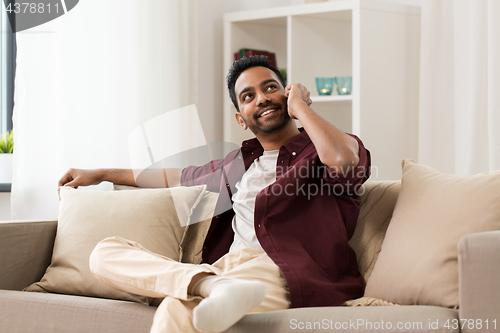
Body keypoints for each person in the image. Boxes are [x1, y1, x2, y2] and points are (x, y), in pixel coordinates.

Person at [59, 55, 371, 333]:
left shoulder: (321, 150)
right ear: (241, 119)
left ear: (286, 94)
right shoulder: (237, 164)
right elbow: (174, 177)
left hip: (282, 272)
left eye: (271, 87)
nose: (262, 98)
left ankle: (213, 288)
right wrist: (100, 174)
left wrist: (301, 107)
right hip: (225, 271)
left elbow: (343, 159)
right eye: (249, 96)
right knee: (104, 253)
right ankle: (212, 286)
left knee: (174, 308)